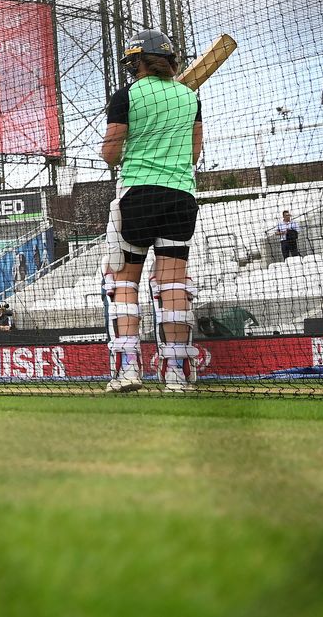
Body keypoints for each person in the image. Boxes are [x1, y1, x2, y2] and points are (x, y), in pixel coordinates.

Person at [100, 29, 203, 393]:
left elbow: (111, 153)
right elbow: (194, 154)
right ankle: (176, 373)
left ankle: (129, 370)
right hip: (180, 195)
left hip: (139, 192)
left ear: (135, 62)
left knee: (123, 282)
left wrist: (123, 148)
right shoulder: (190, 97)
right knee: (173, 283)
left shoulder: (126, 96)